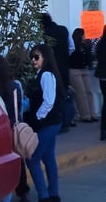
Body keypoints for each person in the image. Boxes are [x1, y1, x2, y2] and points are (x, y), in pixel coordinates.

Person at [0, 55, 29, 202]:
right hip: (14, 127)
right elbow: (20, 108)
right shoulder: (15, 86)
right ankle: (22, 191)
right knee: (18, 161)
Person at [25, 44, 63, 202]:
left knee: (32, 159)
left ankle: (44, 196)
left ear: (45, 58)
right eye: (32, 57)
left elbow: (48, 101)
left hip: (48, 123)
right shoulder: (41, 74)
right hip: (49, 122)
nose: (33, 60)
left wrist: (37, 118)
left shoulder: (46, 75)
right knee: (48, 158)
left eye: (36, 57)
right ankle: (53, 194)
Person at [40, 13, 75, 132]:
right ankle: (67, 121)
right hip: (64, 66)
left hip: (50, 68)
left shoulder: (43, 34)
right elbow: (71, 47)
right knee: (64, 93)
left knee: (51, 96)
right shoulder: (64, 30)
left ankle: (57, 121)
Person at [68, 28, 97, 123]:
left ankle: (92, 113)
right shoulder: (73, 47)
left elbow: (89, 56)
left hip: (84, 68)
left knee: (89, 91)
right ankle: (85, 115)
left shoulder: (85, 45)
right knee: (81, 93)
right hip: (75, 69)